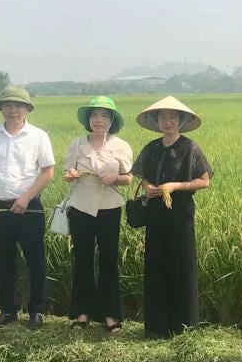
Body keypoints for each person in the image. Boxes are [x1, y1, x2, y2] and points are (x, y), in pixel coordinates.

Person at [131, 96, 212, 338]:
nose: (168, 122)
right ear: (156, 121)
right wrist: (148, 187)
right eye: (163, 117)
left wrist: (175, 186)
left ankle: (184, 327)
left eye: (173, 117)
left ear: (181, 121)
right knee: (155, 264)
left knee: (182, 265)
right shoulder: (151, 148)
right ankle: (156, 328)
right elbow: (142, 176)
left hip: (180, 214)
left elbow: (204, 181)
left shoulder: (190, 148)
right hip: (155, 214)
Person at [0, 85, 55, 330]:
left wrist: (26, 197)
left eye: (19, 105)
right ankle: (7, 311)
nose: (13, 110)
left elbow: (48, 172)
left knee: (35, 260)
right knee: (3, 261)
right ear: (1, 108)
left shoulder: (39, 136)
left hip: (29, 208)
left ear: (27, 109)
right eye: (8, 105)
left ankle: (37, 312)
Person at [62, 96, 133, 332]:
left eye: (104, 115)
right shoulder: (76, 145)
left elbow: (129, 178)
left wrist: (116, 177)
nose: (99, 120)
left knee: (109, 260)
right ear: (88, 120)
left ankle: (110, 316)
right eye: (94, 115)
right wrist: (70, 174)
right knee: (82, 260)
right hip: (81, 207)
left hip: (109, 208)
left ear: (112, 120)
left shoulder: (121, 146)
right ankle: (81, 314)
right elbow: (67, 173)